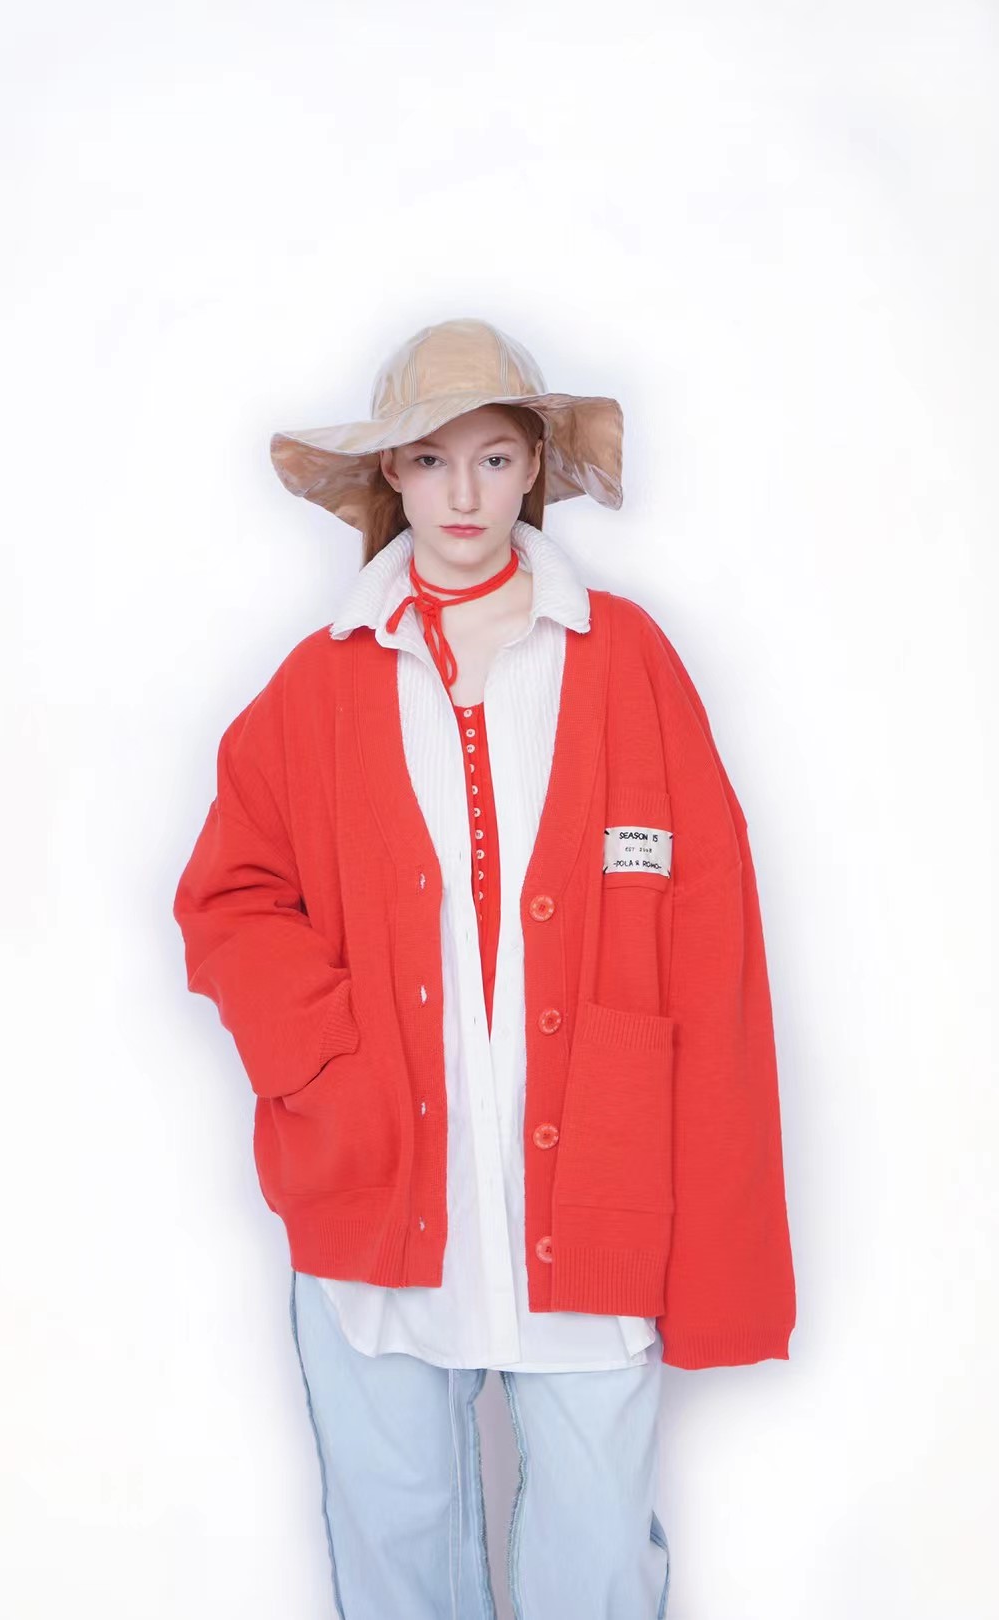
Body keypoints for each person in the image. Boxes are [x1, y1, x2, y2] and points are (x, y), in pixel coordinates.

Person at [172, 316, 797, 1619]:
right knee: (397, 1541)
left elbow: (714, 938)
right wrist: (325, 1059)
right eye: (432, 459)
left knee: (596, 1546)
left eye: (496, 458)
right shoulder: (319, 683)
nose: (464, 494)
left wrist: (720, 1201)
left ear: (535, 470)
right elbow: (229, 896)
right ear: (391, 475)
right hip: (380, 1180)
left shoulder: (627, 659)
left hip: (595, 1178)